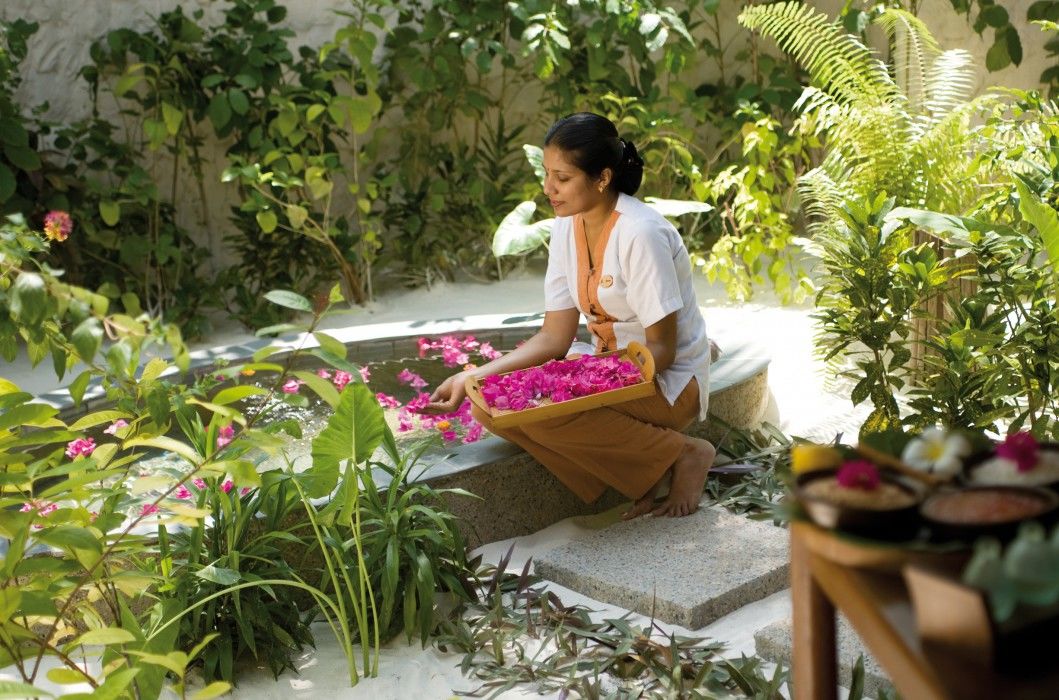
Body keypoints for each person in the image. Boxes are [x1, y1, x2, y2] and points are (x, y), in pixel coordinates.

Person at [424, 112, 715, 518]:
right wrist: (472, 376)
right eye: (547, 174)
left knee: (545, 414)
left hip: (667, 381)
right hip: (611, 369)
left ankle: (685, 454)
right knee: (488, 405)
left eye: (561, 178)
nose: (548, 189)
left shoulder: (641, 233)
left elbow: (661, 349)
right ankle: (646, 473)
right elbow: (553, 338)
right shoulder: (565, 227)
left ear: (602, 178)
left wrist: (583, 388)